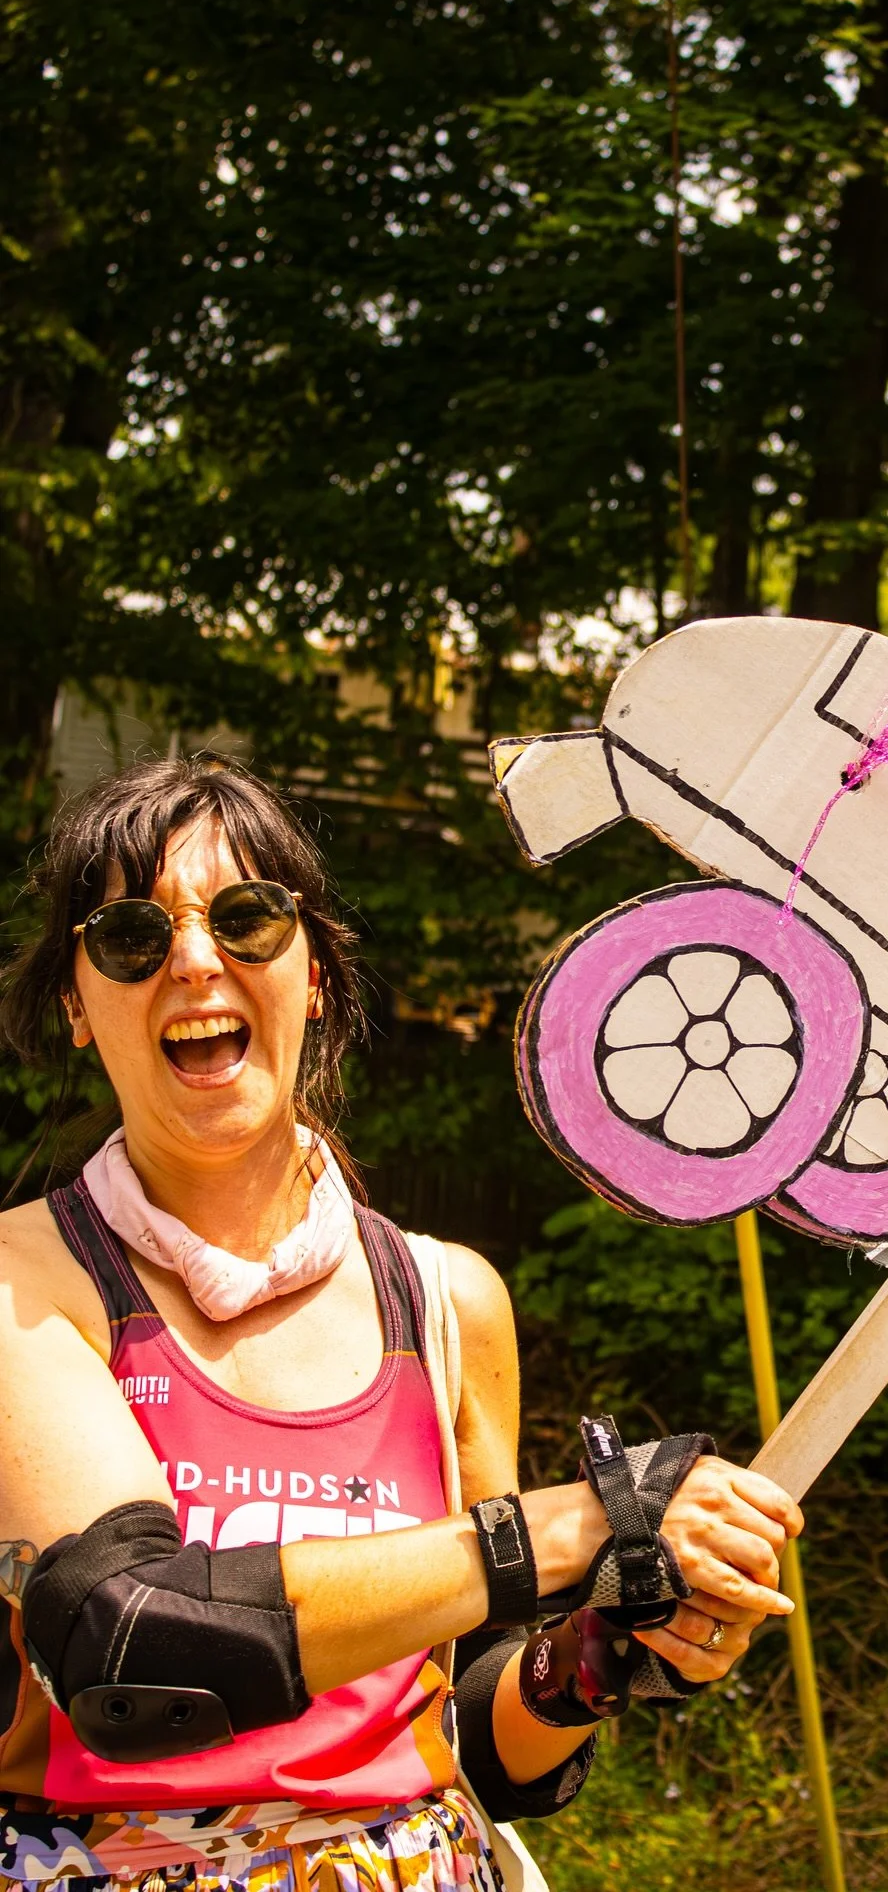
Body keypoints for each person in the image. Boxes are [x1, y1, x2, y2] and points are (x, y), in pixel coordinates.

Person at [0, 755, 803, 1892]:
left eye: (247, 918)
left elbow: (472, 1731)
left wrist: (600, 1656)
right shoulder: (21, 1285)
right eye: (132, 938)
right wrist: (558, 1533)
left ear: (314, 971)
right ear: (78, 1007)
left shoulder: (446, 1302)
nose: (193, 960)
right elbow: (132, 1643)